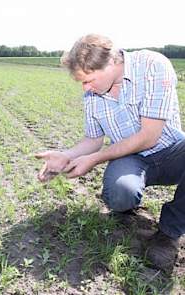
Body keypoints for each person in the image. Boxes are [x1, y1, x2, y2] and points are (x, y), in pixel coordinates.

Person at [35, 34, 185, 271]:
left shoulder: (153, 66)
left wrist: (94, 159)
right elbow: (93, 139)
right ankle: (126, 206)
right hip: (132, 159)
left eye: (89, 80)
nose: (86, 88)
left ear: (112, 62)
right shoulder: (93, 95)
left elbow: (149, 136)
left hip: (174, 152)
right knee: (120, 193)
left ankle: (169, 234)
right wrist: (67, 155)